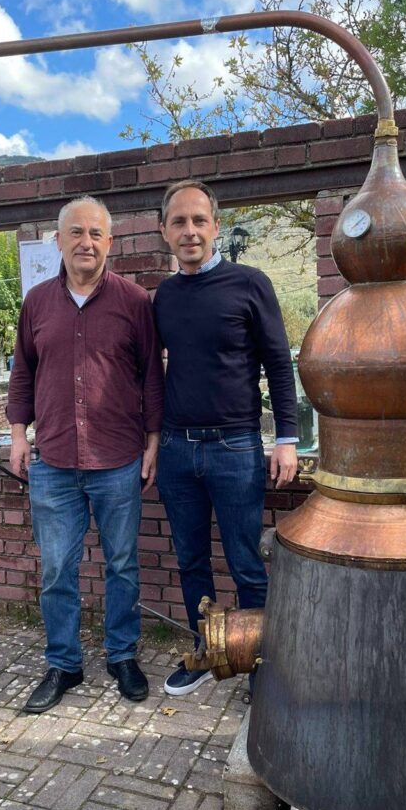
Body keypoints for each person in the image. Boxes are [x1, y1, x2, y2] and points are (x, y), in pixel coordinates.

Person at [8, 196, 164, 713]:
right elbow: (22, 372)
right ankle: (64, 663)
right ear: (58, 240)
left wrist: (153, 442)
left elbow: (152, 376)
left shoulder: (134, 302)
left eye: (96, 233)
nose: (86, 242)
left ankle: (122, 655)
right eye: (76, 232)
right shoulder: (36, 303)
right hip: (53, 462)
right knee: (57, 570)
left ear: (110, 242)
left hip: (118, 459)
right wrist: (18, 435)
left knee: (121, 564)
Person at [154, 180, 299, 696]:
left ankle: (262, 665)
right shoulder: (164, 297)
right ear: (165, 231)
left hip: (236, 447)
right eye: (179, 222)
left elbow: (279, 364)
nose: (190, 231)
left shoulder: (250, 284)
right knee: (191, 560)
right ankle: (206, 651)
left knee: (245, 562)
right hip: (177, 450)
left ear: (216, 226)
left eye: (199, 220)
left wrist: (287, 438)